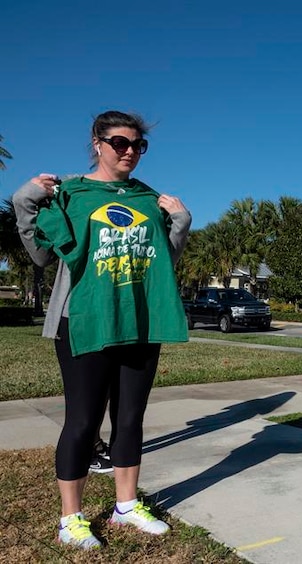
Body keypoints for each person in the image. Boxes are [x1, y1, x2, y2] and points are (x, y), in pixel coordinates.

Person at [13, 110, 191, 550]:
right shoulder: (70, 194)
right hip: (82, 319)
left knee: (130, 418)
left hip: (138, 320)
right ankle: (70, 519)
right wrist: (25, 198)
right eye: (120, 143)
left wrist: (181, 223)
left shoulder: (148, 199)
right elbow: (40, 255)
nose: (129, 151)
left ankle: (126, 506)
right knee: (82, 420)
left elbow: (162, 263)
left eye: (137, 145)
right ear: (98, 143)